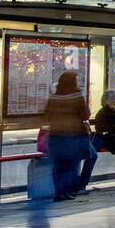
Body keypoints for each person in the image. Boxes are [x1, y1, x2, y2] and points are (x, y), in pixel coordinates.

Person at [44, 71, 94, 202]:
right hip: (73, 134)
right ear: (73, 83)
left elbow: (47, 116)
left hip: (56, 135)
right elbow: (85, 115)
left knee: (58, 165)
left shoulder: (53, 98)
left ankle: (58, 192)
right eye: (76, 81)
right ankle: (67, 191)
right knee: (70, 165)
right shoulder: (77, 97)